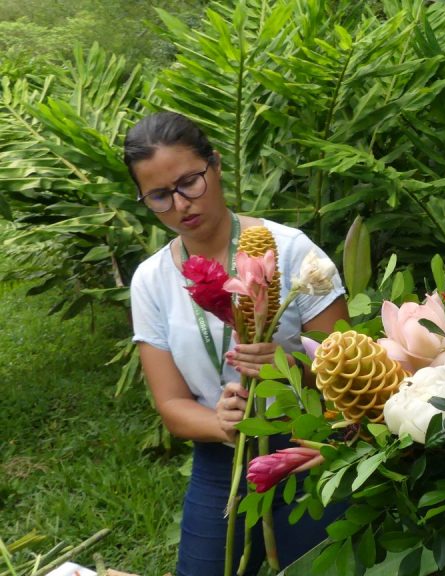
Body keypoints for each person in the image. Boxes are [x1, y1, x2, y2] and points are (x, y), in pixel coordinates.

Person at [126, 111, 349, 575]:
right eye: (160, 196)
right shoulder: (151, 280)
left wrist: (289, 368)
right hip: (221, 457)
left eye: (190, 181)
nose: (181, 204)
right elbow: (170, 404)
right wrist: (220, 423)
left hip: (306, 445)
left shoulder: (292, 251)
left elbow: (346, 374)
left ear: (216, 165)